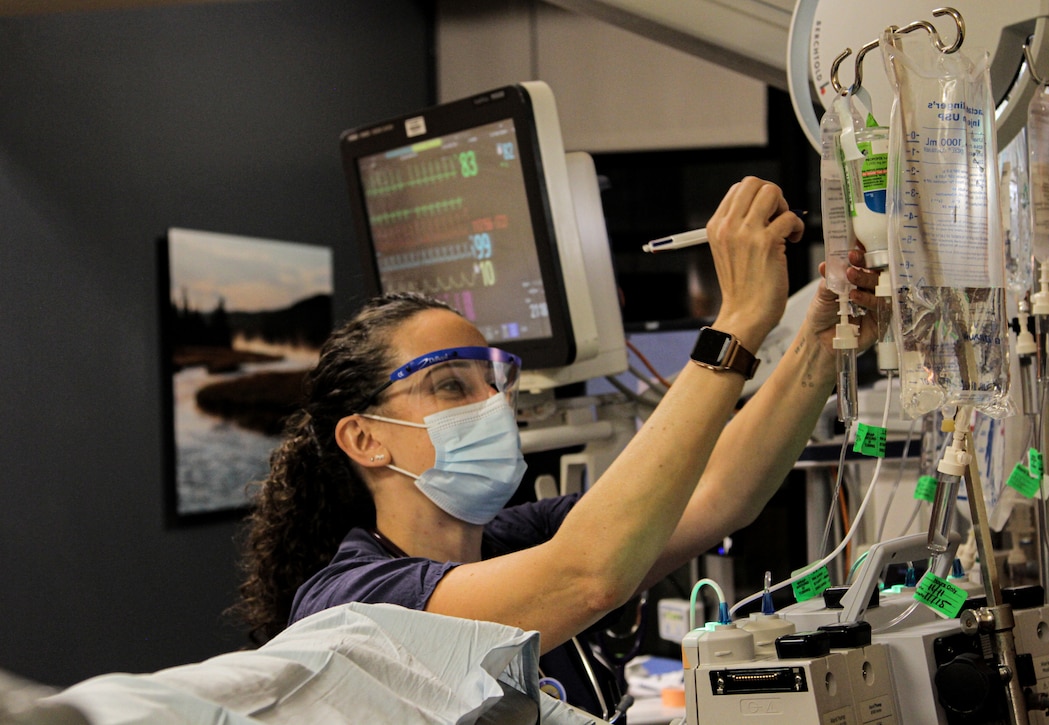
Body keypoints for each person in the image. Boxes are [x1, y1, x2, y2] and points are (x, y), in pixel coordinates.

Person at [232, 176, 881, 719]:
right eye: (451, 383)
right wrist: (736, 322)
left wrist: (818, 348)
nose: (491, 404)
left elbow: (715, 493)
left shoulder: (517, 540)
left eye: (495, 380)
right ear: (364, 437)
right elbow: (589, 574)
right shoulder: (352, 600)